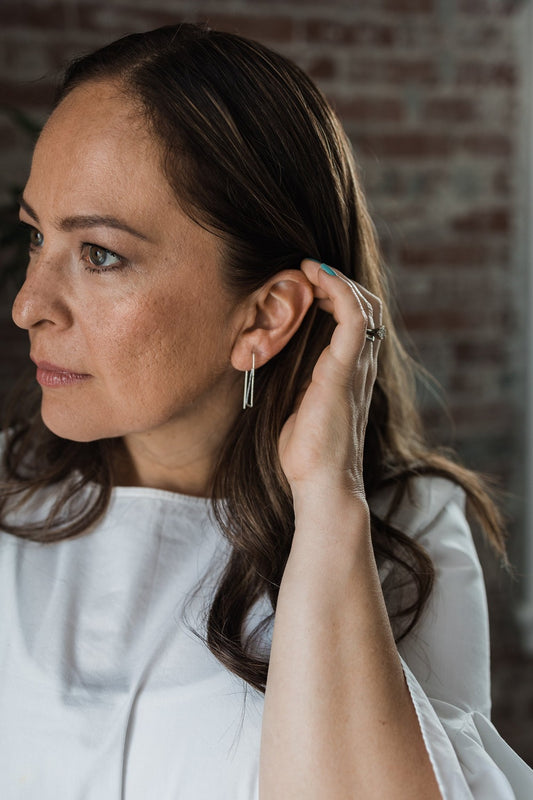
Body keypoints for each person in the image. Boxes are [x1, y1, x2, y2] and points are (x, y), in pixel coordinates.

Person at [0, 22, 531, 800]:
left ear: (263, 317)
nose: (27, 306)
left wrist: (324, 500)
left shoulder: (403, 529)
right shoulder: (11, 497)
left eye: (100, 255)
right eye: (37, 236)